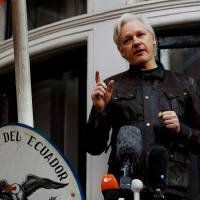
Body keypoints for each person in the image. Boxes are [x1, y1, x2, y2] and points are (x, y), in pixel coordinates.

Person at [85, 13, 200, 200]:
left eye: (141, 35)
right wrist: (100, 112)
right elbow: (93, 147)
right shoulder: (111, 88)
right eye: (128, 39)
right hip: (125, 190)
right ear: (121, 50)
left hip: (172, 191)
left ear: (153, 39)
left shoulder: (185, 84)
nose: (136, 42)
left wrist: (181, 129)